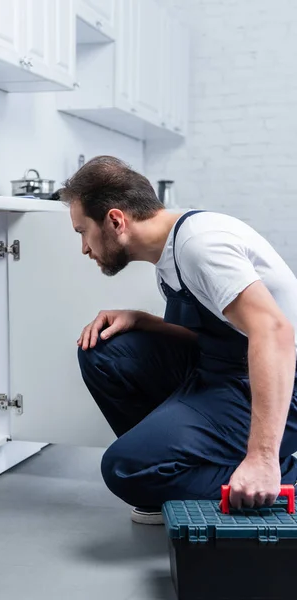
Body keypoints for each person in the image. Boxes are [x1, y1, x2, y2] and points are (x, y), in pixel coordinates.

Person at [60, 155, 297, 525]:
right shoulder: (169, 250)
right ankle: (174, 466)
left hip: (277, 382)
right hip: (223, 370)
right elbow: (218, 331)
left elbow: (275, 333)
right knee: (104, 352)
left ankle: (275, 475)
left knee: (125, 469)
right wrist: (141, 320)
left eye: (81, 232)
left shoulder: (200, 246)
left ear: (115, 220)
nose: (84, 248)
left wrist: (262, 459)